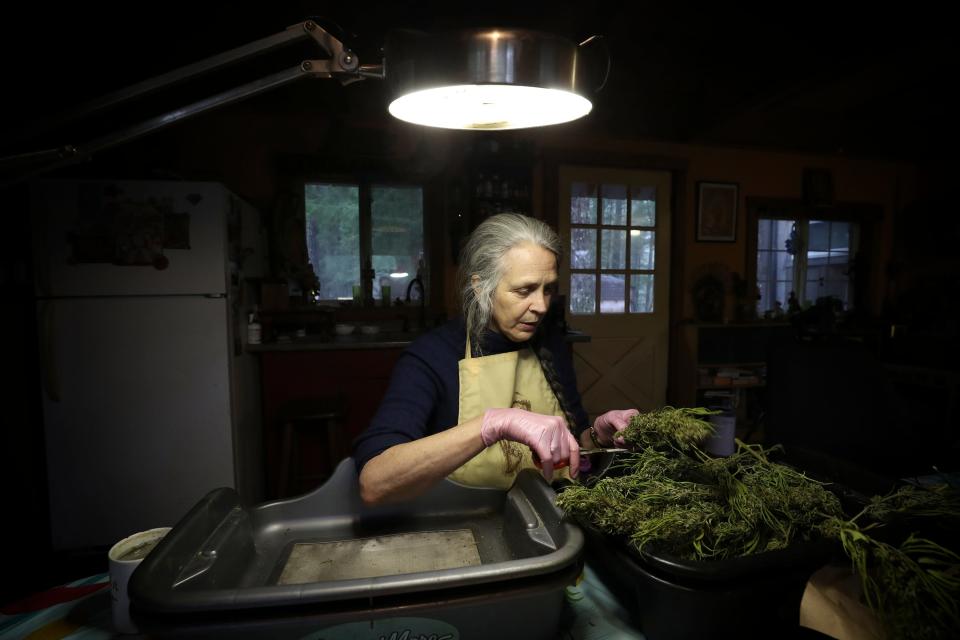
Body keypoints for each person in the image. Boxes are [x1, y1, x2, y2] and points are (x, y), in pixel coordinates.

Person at [353, 213, 638, 505]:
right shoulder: (432, 356)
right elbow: (374, 484)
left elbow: (573, 446)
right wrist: (493, 424)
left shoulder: (549, 344)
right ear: (480, 287)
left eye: (548, 289)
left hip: (552, 520)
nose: (540, 306)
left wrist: (597, 436)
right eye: (524, 290)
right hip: (469, 528)